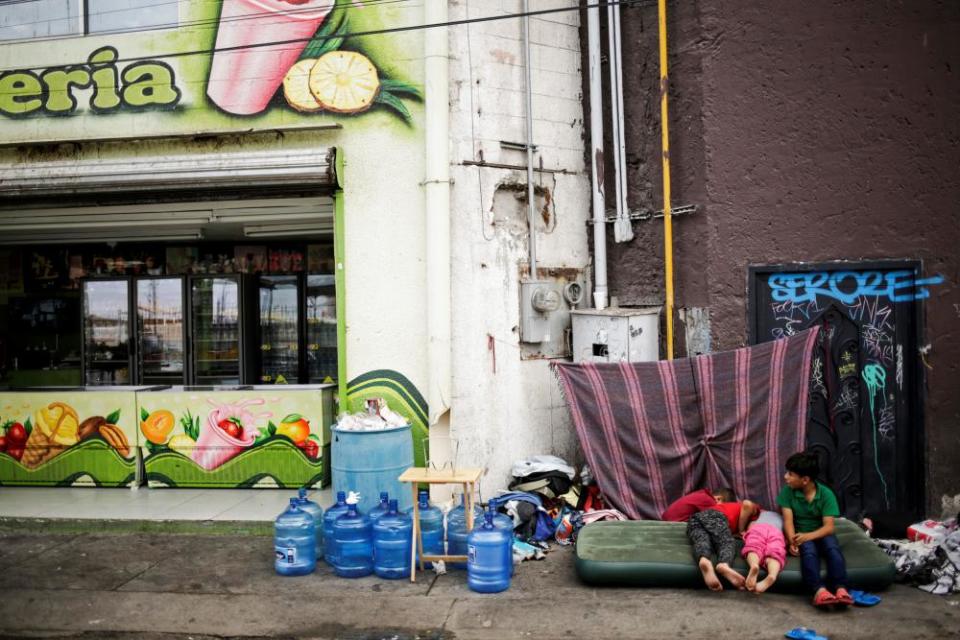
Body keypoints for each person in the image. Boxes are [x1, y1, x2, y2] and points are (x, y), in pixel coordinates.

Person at [778, 451, 854, 608]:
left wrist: (807, 536)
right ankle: (819, 590)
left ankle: (841, 588)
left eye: (790, 474)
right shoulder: (787, 492)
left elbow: (829, 527)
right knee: (809, 552)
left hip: (821, 532)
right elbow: (788, 520)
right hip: (801, 533)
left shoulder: (826, 494)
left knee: (833, 549)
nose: (786, 477)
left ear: (805, 480)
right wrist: (793, 540)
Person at [687, 496, 759, 591]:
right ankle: (724, 564)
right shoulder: (757, 511)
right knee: (726, 541)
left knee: (702, 541)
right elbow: (747, 504)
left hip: (695, 519)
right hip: (717, 516)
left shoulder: (726, 506)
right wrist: (742, 530)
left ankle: (704, 560)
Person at [741, 509, 786, 593]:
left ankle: (754, 565)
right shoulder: (784, 516)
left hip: (759, 527)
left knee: (754, 546)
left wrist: (747, 531)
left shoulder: (761, 513)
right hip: (777, 531)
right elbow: (788, 529)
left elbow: (751, 524)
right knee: (775, 553)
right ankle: (772, 575)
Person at [662, 487, 736, 522]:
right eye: (723, 506)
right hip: (674, 522)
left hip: (666, 517)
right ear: (718, 499)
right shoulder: (709, 500)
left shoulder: (701, 494)